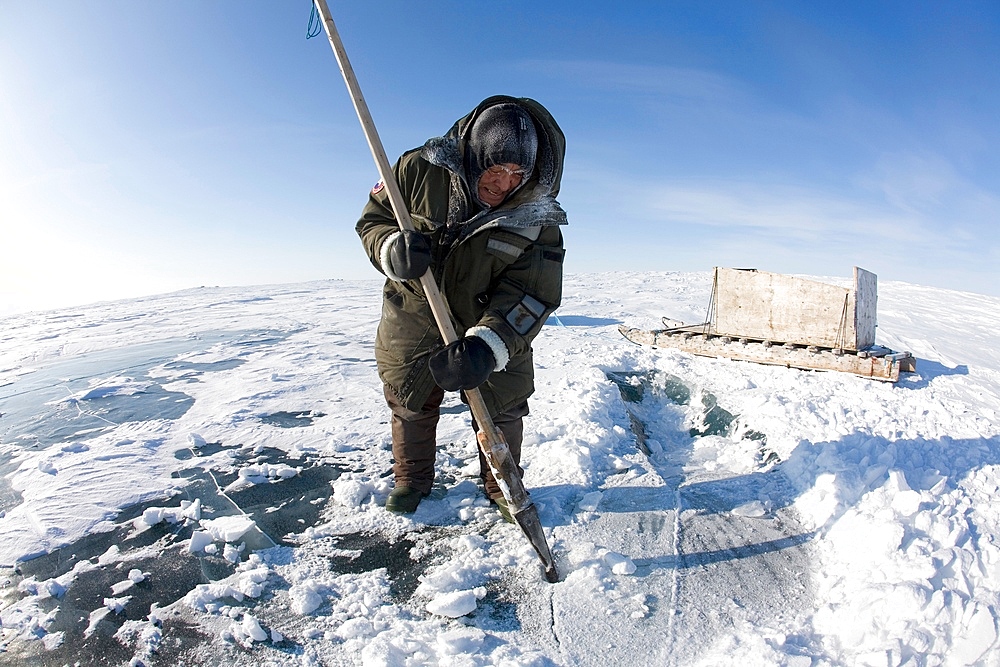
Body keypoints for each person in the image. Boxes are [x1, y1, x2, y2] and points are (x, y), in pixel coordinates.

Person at [356, 95, 567, 520]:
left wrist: (489, 347)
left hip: (488, 323)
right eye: (495, 168)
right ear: (474, 157)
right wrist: (393, 249)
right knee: (409, 402)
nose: (504, 183)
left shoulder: (536, 217)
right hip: (415, 316)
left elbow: (533, 292)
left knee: (501, 408)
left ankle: (502, 486)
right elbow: (374, 221)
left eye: (516, 173)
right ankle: (411, 481)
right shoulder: (416, 169)